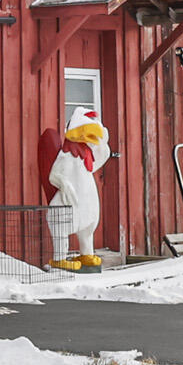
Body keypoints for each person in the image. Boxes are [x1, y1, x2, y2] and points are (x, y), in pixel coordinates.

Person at [49, 108, 108, 271]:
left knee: (87, 229)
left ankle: (86, 253)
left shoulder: (85, 155)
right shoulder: (66, 155)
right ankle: (59, 257)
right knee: (63, 226)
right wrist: (64, 184)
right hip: (66, 204)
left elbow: (98, 161)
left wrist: (103, 144)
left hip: (83, 203)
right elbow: (53, 175)